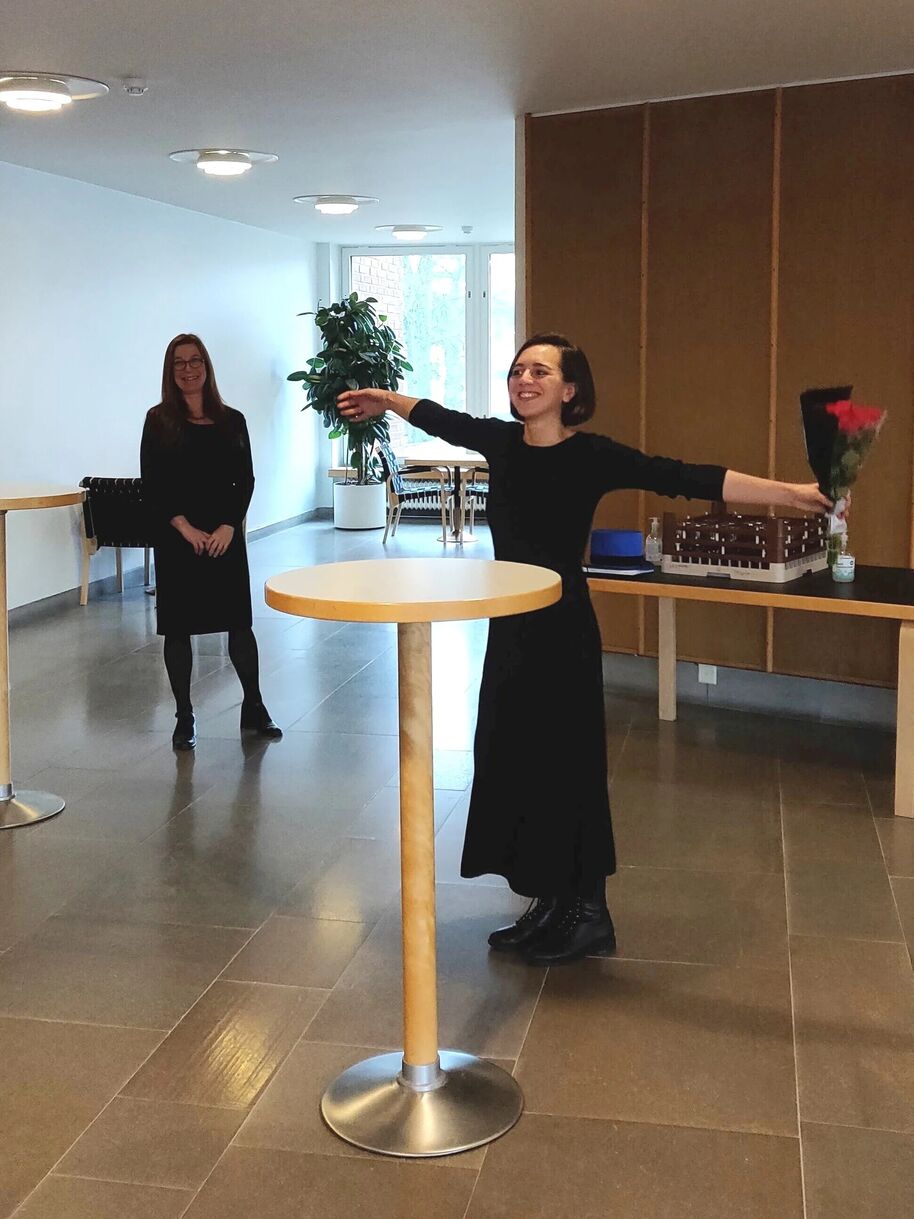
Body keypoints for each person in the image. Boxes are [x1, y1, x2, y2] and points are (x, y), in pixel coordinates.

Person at [338, 334, 830, 966]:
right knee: (516, 761)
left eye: (540, 371)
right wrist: (385, 399)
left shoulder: (591, 456)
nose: (524, 379)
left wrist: (793, 494)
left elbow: (685, 476)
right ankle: (549, 900)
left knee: (566, 768)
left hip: (561, 629)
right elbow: (438, 417)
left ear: (569, 390)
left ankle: (589, 913)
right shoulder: (500, 443)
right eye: (518, 370)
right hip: (509, 625)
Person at [140, 334, 282, 751]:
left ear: (206, 366)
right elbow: (153, 483)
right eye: (179, 362)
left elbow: (245, 480)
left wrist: (228, 526)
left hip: (224, 536)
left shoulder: (232, 420)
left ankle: (254, 706)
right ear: (170, 371)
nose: (188, 369)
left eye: (195, 360)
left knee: (239, 624)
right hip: (178, 539)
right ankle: (185, 716)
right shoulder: (158, 420)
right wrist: (183, 527)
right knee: (178, 628)